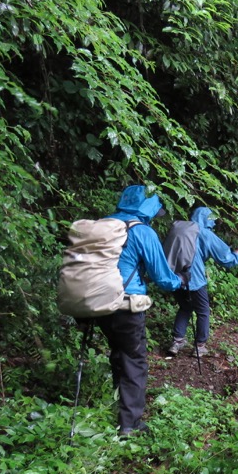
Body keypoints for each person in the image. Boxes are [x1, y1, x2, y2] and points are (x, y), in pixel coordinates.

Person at [95, 185, 185, 436]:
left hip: (97, 303)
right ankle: (129, 424)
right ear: (145, 209)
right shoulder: (142, 232)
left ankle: (118, 403)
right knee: (134, 360)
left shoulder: (102, 225)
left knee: (118, 352)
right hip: (126, 304)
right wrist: (180, 280)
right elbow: (163, 278)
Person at [167, 207, 238, 357]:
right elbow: (224, 259)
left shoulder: (181, 228)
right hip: (194, 278)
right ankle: (200, 346)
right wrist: (237, 256)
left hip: (174, 276)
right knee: (203, 311)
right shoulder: (205, 234)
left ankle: (177, 342)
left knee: (185, 307)